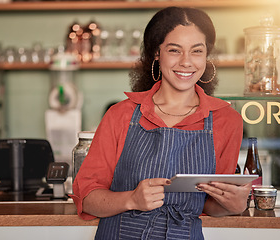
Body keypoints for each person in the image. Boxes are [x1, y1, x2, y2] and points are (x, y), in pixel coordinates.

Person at [71, 7, 250, 239]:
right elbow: (86, 198)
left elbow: (208, 203)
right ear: (157, 53)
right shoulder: (120, 115)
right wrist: (131, 199)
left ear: (207, 55)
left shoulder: (227, 120)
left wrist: (233, 205)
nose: (186, 62)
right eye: (174, 50)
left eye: (197, 51)